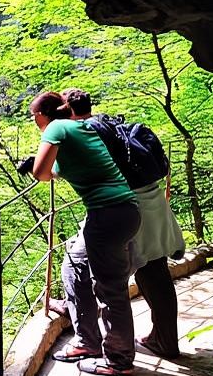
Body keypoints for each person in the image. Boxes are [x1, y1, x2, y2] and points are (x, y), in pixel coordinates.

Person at [22, 91, 141, 376]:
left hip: (107, 213)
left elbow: (41, 173)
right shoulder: (78, 127)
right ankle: (87, 340)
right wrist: (37, 167)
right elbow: (55, 171)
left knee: (110, 288)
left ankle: (119, 360)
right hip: (120, 211)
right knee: (73, 267)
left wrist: (33, 167)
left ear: (43, 114)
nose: (34, 121)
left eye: (33, 116)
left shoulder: (56, 127)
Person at [62, 88, 186, 358]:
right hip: (153, 203)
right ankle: (165, 341)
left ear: (68, 111)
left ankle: (91, 341)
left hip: (126, 208)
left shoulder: (85, 133)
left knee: (79, 268)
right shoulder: (110, 124)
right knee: (155, 273)